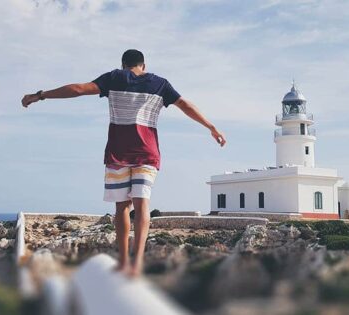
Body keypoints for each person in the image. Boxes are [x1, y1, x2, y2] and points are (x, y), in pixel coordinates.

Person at [21, 49, 226, 277]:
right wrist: (211, 127)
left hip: (118, 153)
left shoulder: (114, 78)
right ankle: (136, 263)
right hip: (148, 154)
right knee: (142, 204)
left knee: (122, 208)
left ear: (123, 64)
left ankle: (123, 260)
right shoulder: (160, 84)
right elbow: (185, 104)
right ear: (143, 65)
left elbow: (78, 89)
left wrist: (39, 95)